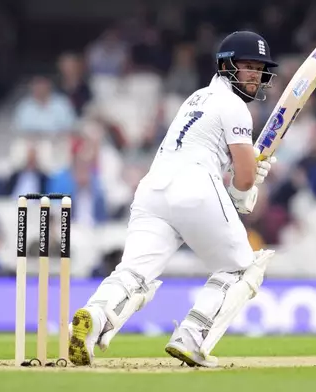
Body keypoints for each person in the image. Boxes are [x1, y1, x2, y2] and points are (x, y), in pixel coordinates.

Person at [67, 31, 279, 368]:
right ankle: (191, 336)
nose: (254, 74)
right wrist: (246, 186)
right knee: (241, 270)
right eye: (248, 66)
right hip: (195, 186)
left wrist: (247, 164)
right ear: (227, 67)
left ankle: (92, 318)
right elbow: (243, 178)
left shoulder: (197, 97)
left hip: (153, 189)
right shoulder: (236, 107)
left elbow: (217, 152)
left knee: (133, 272)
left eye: (259, 68)